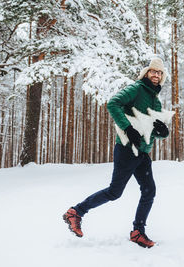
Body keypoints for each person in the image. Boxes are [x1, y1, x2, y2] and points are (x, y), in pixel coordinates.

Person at [63, 58, 170, 248]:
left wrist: (162, 133)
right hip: (127, 149)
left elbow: (149, 128)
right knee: (115, 192)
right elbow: (113, 103)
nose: (156, 75)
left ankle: (138, 232)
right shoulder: (137, 89)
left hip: (143, 152)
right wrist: (127, 128)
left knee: (149, 191)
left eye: (160, 72)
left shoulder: (156, 100)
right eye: (153, 71)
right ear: (146, 73)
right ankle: (76, 212)